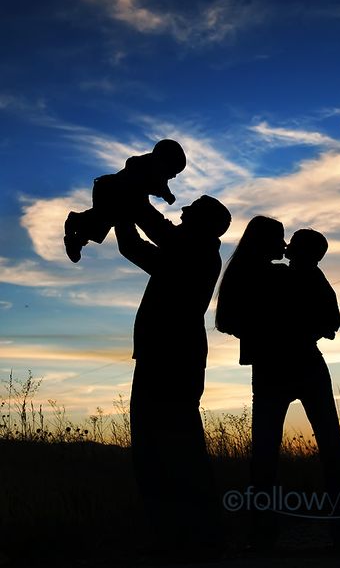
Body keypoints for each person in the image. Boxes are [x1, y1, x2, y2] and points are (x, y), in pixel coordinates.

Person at [216, 219, 340, 551]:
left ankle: (265, 534)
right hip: (296, 364)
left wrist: (269, 332)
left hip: (276, 368)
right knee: (327, 447)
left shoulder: (277, 274)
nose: (285, 246)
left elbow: (228, 322)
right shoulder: (283, 275)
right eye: (280, 239)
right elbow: (330, 319)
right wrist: (298, 329)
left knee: (267, 454)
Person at [115, 194, 231, 559]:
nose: (182, 211)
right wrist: (122, 211)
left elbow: (153, 230)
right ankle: (182, 534)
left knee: (169, 447)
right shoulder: (186, 251)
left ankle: (193, 535)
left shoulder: (193, 249)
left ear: (203, 223)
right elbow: (133, 247)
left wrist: (127, 198)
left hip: (170, 357)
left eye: (191, 210)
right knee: (163, 446)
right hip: (166, 356)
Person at [64, 139, 186, 262]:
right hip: (109, 191)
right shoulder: (140, 165)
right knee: (107, 217)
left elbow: (161, 187)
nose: (173, 176)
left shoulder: (159, 176)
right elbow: (133, 167)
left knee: (106, 221)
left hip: (128, 198)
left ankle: (78, 238)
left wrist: (167, 194)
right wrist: (163, 193)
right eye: (173, 171)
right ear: (161, 161)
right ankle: (76, 222)